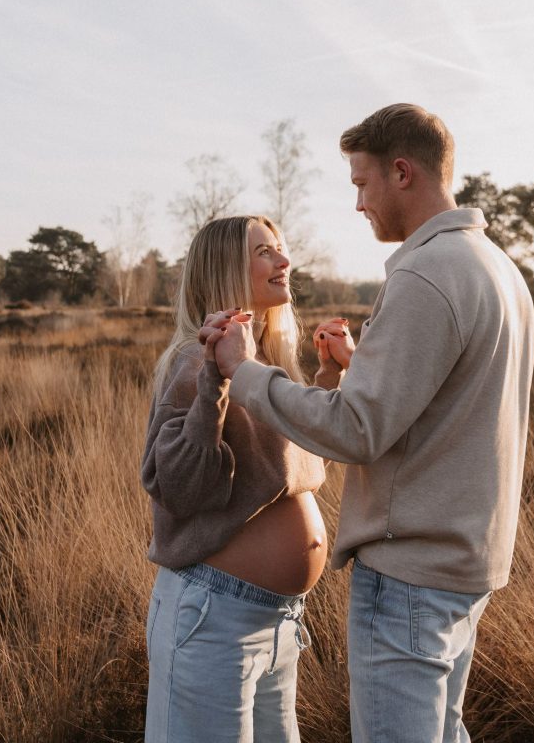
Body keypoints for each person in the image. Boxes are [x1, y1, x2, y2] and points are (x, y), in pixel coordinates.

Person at [203, 104, 534, 743]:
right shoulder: (498, 270)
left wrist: (244, 373)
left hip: (411, 578)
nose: (358, 203)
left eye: (361, 182)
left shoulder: (426, 271)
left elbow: (356, 431)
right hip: (467, 568)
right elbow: (448, 406)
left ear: (401, 172)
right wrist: (363, 371)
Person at [140, 215, 350, 742]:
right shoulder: (195, 362)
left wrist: (329, 381)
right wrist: (215, 380)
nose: (284, 262)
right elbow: (182, 488)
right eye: (265, 253)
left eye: (281, 249)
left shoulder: (268, 368)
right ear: (226, 271)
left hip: (279, 623)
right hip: (212, 619)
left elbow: (300, 470)